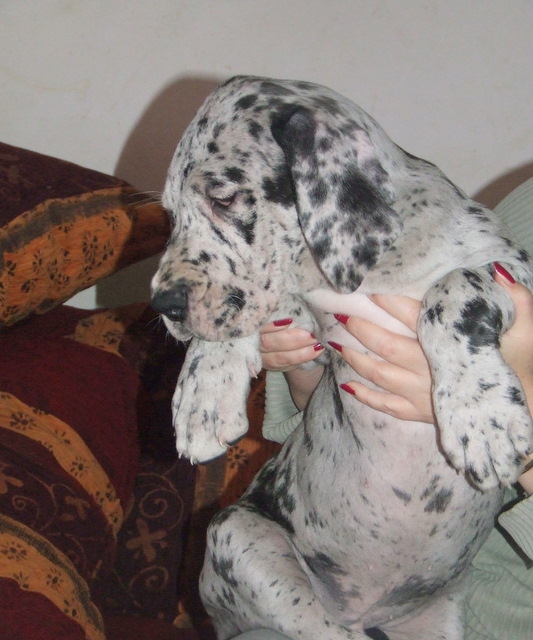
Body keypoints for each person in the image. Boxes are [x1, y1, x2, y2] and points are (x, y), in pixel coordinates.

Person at [251, 181, 533, 640]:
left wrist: (514, 424)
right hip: (317, 582)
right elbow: (343, 411)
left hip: (467, 616)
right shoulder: (530, 201)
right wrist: (308, 357)